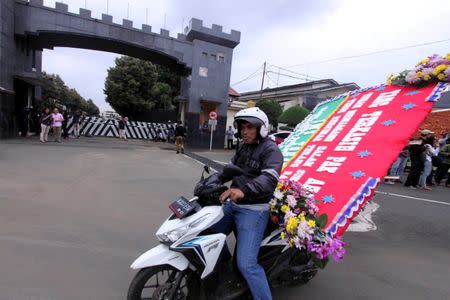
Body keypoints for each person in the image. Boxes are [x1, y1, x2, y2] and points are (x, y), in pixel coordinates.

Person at [211, 107, 283, 300]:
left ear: (262, 128)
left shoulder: (271, 150)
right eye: (242, 127)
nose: (244, 131)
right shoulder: (243, 147)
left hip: (254, 210)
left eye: (250, 127)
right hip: (233, 204)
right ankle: (226, 265)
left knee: (247, 265)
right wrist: (213, 180)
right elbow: (230, 169)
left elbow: (269, 179)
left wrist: (244, 190)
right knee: (208, 233)